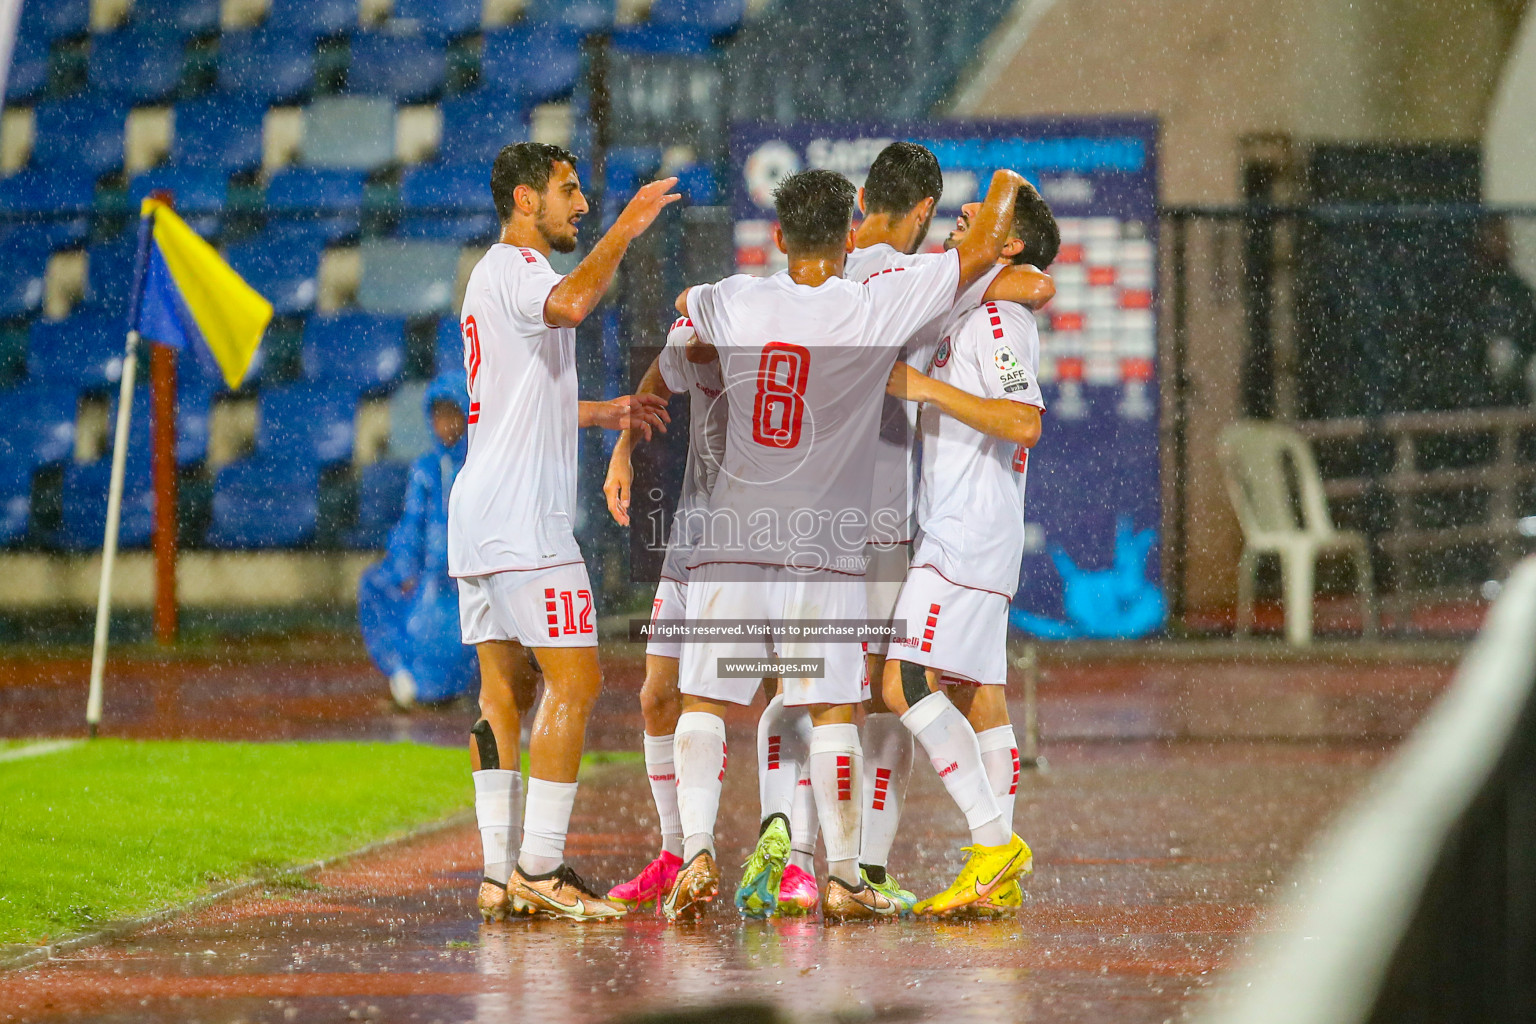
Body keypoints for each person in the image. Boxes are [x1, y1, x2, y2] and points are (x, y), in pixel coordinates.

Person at [661, 165, 1030, 923]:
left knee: (703, 698)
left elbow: (683, 311)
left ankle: (696, 848)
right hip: (825, 541)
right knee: (834, 708)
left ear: (778, 237)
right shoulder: (873, 304)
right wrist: (1003, 184)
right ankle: (843, 876)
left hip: (733, 532)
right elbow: (986, 248)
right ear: (849, 233)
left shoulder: (736, 295)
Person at [750, 141, 1056, 915]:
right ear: (922, 213)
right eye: (948, 217)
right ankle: (899, 863)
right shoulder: (935, 285)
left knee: (820, 692)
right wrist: (1003, 235)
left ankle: (814, 861)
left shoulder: (828, 275)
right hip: (897, 529)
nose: (957, 230)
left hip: (827, 523)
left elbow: (1024, 303)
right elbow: (1031, 280)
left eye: (974, 222)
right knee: (906, 692)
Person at [453, 141, 675, 923]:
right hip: (525, 523)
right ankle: (541, 869)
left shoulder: (490, 277)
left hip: (479, 516)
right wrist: (627, 227)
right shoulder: (519, 272)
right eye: (568, 191)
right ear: (525, 199)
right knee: (576, 683)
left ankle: (494, 874)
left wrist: (602, 412)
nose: (580, 206)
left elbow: (514, 399)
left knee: (503, 693)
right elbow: (576, 303)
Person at [880, 185, 1060, 918]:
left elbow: (1024, 421)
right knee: (980, 693)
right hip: (968, 531)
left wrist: (924, 387)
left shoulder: (997, 321)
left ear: (1008, 243)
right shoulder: (974, 302)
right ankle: (998, 869)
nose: (962, 222)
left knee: (901, 685)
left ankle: (992, 842)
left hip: (964, 535)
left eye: (981, 220)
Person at [357, 374, 479, 709]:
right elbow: (411, 526)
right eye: (437, 415)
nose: (445, 424)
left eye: (452, 414)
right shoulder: (425, 468)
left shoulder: (483, 463)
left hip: (473, 578)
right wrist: (407, 568)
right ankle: (409, 679)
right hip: (433, 581)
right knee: (375, 585)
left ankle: (467, 689)